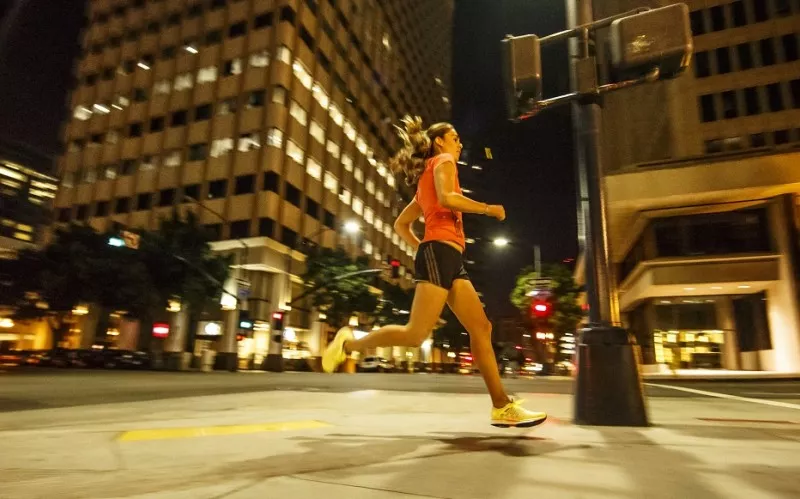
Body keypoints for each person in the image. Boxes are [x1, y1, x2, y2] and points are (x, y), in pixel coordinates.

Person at [322, 116, 547, 428]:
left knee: (481, 328)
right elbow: (447, 199)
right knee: (415, 334)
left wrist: (420, 247)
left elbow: (401, 225)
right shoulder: (443, 161)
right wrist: (487, 209)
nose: (460, 143)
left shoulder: (426, 177)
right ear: (439, 141)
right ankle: (349, 344)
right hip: (440, 254)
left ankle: (501, 405)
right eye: (455, 137)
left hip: (449, 257)